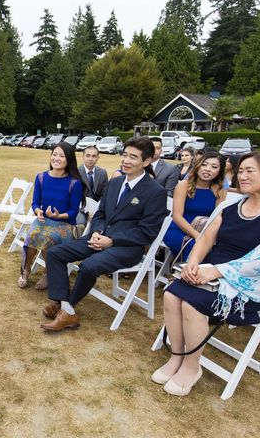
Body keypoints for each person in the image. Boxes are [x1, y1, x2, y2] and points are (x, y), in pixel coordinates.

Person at [153, 151, 260, 396]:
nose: (241, 176)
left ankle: (192, 367)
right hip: (206, 272)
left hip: (245, 285)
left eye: (249, 171)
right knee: (171, 294)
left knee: (192, 305)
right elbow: (205, 239)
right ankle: (176, 357)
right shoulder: (230, 204)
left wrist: (217, 271)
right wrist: (193, 261)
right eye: (240, 171)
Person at [41, 137, 167, 331]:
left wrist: (112, 240)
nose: (126, 160)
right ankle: (62, 303)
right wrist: (97, 231)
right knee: (55, 253)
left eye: (133, 157)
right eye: (125, 155)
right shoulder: (115, 182)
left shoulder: (155, 191)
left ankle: (68, 310)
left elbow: (147, 232)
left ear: (147, 161)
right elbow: (100, 213)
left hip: (126, 247)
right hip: (98, 237)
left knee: (88, 266)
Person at [18, 142, 83, 291]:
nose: (57, 158)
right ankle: (26, 269)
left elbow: (74, 211)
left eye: (61, 155)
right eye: (54, 154)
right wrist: (38, 212)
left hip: (64, 225)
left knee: (49, 237)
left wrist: (59, 215)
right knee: (33, 234)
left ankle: (48, 273)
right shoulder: (41, 177)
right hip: (43, 220)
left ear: (69, 159)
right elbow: (35, 203)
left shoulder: (74, 183)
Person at [163, 151, 227, 262]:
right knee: (196, 247)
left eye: (214, 167)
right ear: (198, 165)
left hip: (205, 230)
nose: (207, 169)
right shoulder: (184, 185)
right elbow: (177, 216)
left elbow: (217, 217)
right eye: (204, 164)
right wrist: (198, 236)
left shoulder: (219, 189)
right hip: (179, 229)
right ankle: (186, 274)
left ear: (219, 171)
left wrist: (206, 237)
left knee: (219, 250)